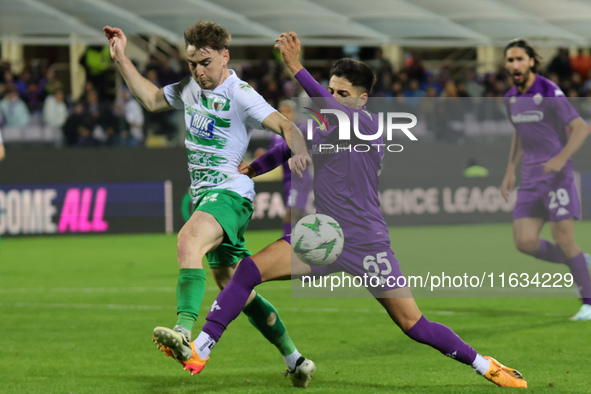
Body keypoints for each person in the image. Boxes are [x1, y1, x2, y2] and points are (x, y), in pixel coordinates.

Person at [186, 32, 528, 389]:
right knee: (247, 271)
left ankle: (485, 365)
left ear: (362, 100)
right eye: (331, 90)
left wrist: (295, 67)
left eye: (342, 93)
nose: (332, 98)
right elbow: (291, 142)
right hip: (325, 237)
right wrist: (253, 169)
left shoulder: (366, 126)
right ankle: (202, 348)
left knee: (413, 324)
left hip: (366, 242)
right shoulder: (325, 123)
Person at [103, 21, 313, 384]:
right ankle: (295, 360)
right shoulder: (188, 87)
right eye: (192, 64)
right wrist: (121, 58)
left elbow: (286, 126)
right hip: (207, 194)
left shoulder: (240, 93)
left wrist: (299, 152)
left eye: (205, 62)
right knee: (234, 286)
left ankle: (184, 333)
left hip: (231, 192)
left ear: (224, 57)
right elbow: (152, 99)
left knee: (188, 240)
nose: (198, 71)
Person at [501, 39, 591, 321]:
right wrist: (510, 169)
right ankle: (581, 261)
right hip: (529, 178)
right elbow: (519, 132)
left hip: (556, 177)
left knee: (564, 239)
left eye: (519, 59)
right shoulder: (510, 98)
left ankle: (588, 302)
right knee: (524, 241)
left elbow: (580, 128)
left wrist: (562, 158)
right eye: (510, 60)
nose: (514, 64)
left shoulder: (549, 91)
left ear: (531, 61)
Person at [260, 100, 311, 236]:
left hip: (299, 179)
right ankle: (306, 240)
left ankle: (286, 244)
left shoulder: (301, 131)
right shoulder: (277, 134)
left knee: (291, 214)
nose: (284, 114)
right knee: (298, 213)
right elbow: (274, 156)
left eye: (287, 111)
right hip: (287, 181)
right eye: (281, 111)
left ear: (294, 114)